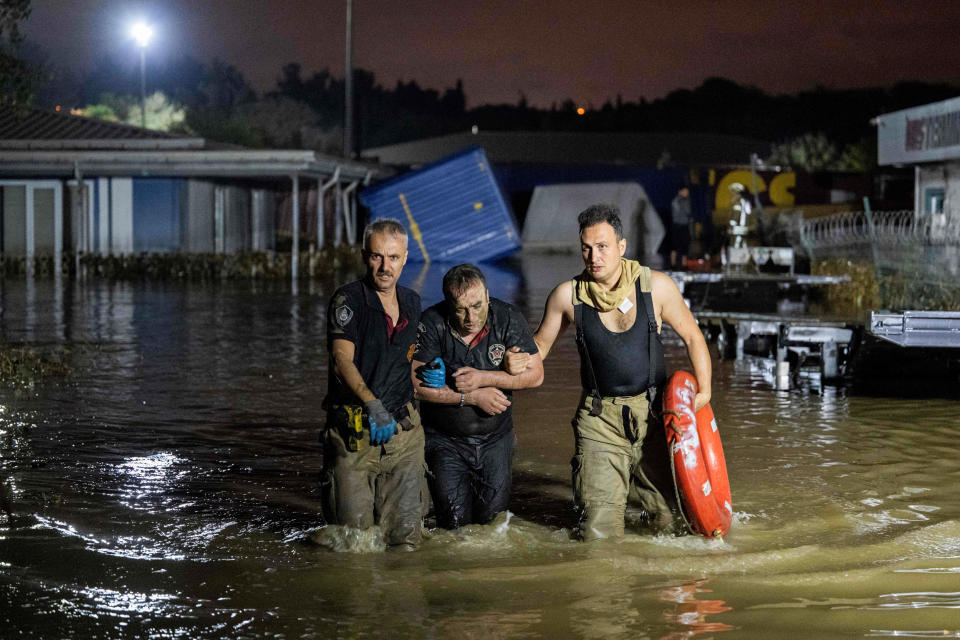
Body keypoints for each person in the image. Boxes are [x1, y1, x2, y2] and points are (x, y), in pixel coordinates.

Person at [506, 203, 711, 541]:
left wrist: (703, 394)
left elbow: (692, 336)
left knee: (668, 524)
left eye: (602, 247)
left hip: (655, 417)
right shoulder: (566, 296)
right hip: (598, 421)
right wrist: (517, 360)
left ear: (622, 246)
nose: (593, 256)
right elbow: (539, 347)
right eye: (586, 248)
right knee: (597, 533)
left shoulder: (656, 287)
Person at [411, 264, 543, 529]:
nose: (471, 317)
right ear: (448, 304)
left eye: (478, 305)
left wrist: (485, 378)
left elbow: (536, 376)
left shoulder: (507, 317)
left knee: (493, 526)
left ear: (487, 294)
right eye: (461, 309)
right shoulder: (431, 322)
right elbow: (413, 386)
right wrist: (470, 398)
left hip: (496, 440)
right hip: (445, 441)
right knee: (454, 526)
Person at [321, 218, 425, 551]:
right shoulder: (348, 301)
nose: (385, 266)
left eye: (393, 258)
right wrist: (373, 404)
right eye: (377, 256)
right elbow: (341, 360)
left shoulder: (412, 302)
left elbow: (410, 359)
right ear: (365, 255)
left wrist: (433, 370)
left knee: (407, 542)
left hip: (405, 437)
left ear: (405, 258)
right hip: (355, 436)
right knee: (354, 544)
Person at [670, 186, 692, 269]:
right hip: (677, 226)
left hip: (684, 226)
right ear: (681, 191)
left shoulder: (686, 201)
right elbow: (682, 211)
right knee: (675, 246)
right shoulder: (676, 201)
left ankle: (684, 264)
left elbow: (689, 212)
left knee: (685, 246)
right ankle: (673, 264)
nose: (687, 193)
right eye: (685, 191)